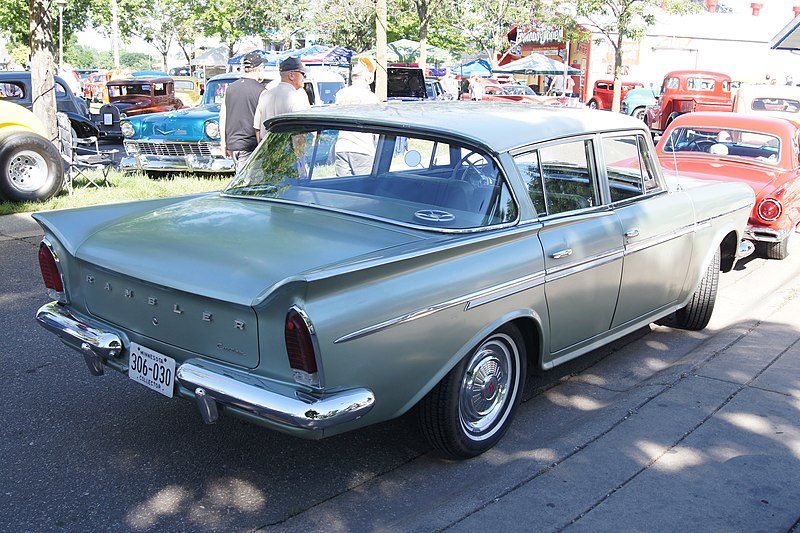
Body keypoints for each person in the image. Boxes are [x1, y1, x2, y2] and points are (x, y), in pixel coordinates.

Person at [219, 51, 266, 171]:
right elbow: (263, 121)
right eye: (263, 67)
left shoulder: (230, 89)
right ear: (258, 68)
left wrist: (223, 142)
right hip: (249, 145)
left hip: (232, 144)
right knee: (247, 184)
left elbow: (223, 116)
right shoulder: (261, 91)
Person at [333, 63, 379, 176]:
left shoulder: (341, 94)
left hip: (342, 146)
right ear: (366, 78)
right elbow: (376, 127)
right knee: (363, 190)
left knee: (342, 188)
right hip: (363, 148)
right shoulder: (371, 98)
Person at [253, 56, 311, 142]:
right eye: (302, 73)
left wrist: (261, 150)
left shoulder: (265, 95)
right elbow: (302, 131)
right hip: (287, 151)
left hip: (266, 149)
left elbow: (257, 128)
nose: (305, 77)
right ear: (291, 75)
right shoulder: (297, 97)